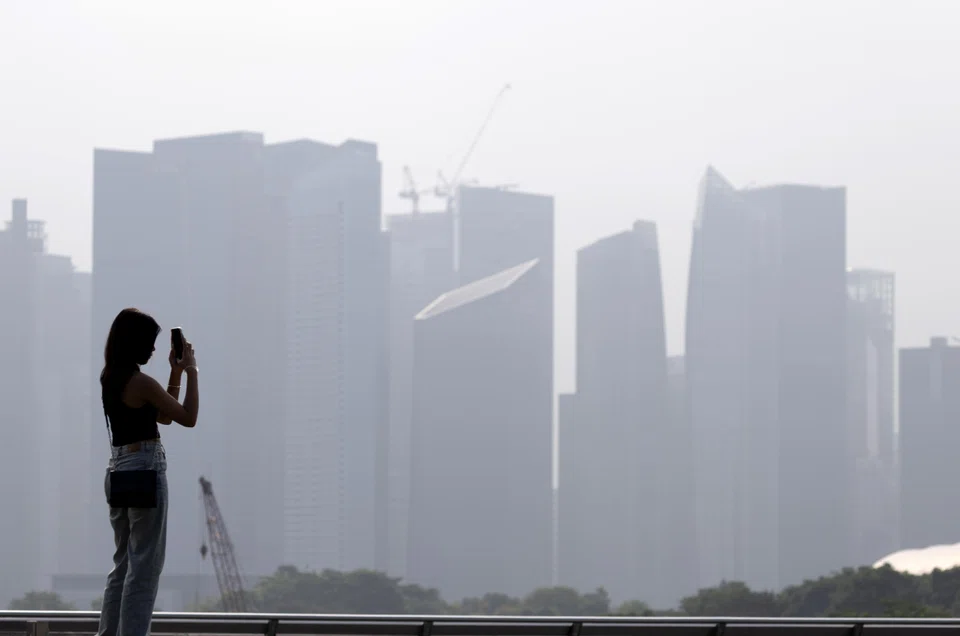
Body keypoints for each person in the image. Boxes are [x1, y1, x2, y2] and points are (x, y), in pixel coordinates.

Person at [97, 308, 200, 636]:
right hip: (145, 467)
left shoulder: (111, 377)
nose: (154, 349)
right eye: (149, 342)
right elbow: (187, 417)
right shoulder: (141, 382)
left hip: (119, 470)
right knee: (144, 570)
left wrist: (175, 373)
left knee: (123, 566)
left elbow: (163, 416)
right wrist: (192, 371)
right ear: (135, 342)